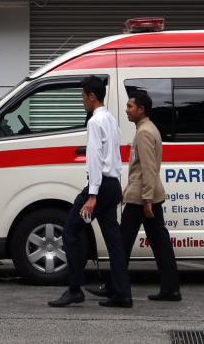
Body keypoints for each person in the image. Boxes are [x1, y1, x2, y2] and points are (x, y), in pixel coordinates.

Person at [87, 88, 181, 301]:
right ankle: (171, 289)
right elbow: (141, 168)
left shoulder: (144, 132)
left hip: (142, 200)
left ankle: (114, 287)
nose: (126, 110)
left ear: (141, 109)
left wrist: (146, 199)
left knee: (121, 244)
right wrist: (128, 189)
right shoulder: (147, 128)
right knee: (160, 244)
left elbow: (148, 169)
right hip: (142, 194)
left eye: (130, 107)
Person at [48, 75, 132, 308]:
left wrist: (92, 195)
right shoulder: (111, 120)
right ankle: (122, 292)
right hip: (112, 184)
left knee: (70, 232)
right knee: (113, 241)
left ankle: (75, 288)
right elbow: (114, 156)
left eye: (83, 96)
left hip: (100, 186)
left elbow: (95, 158)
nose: (82, 101)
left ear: (92, 96)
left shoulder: (95, 122)